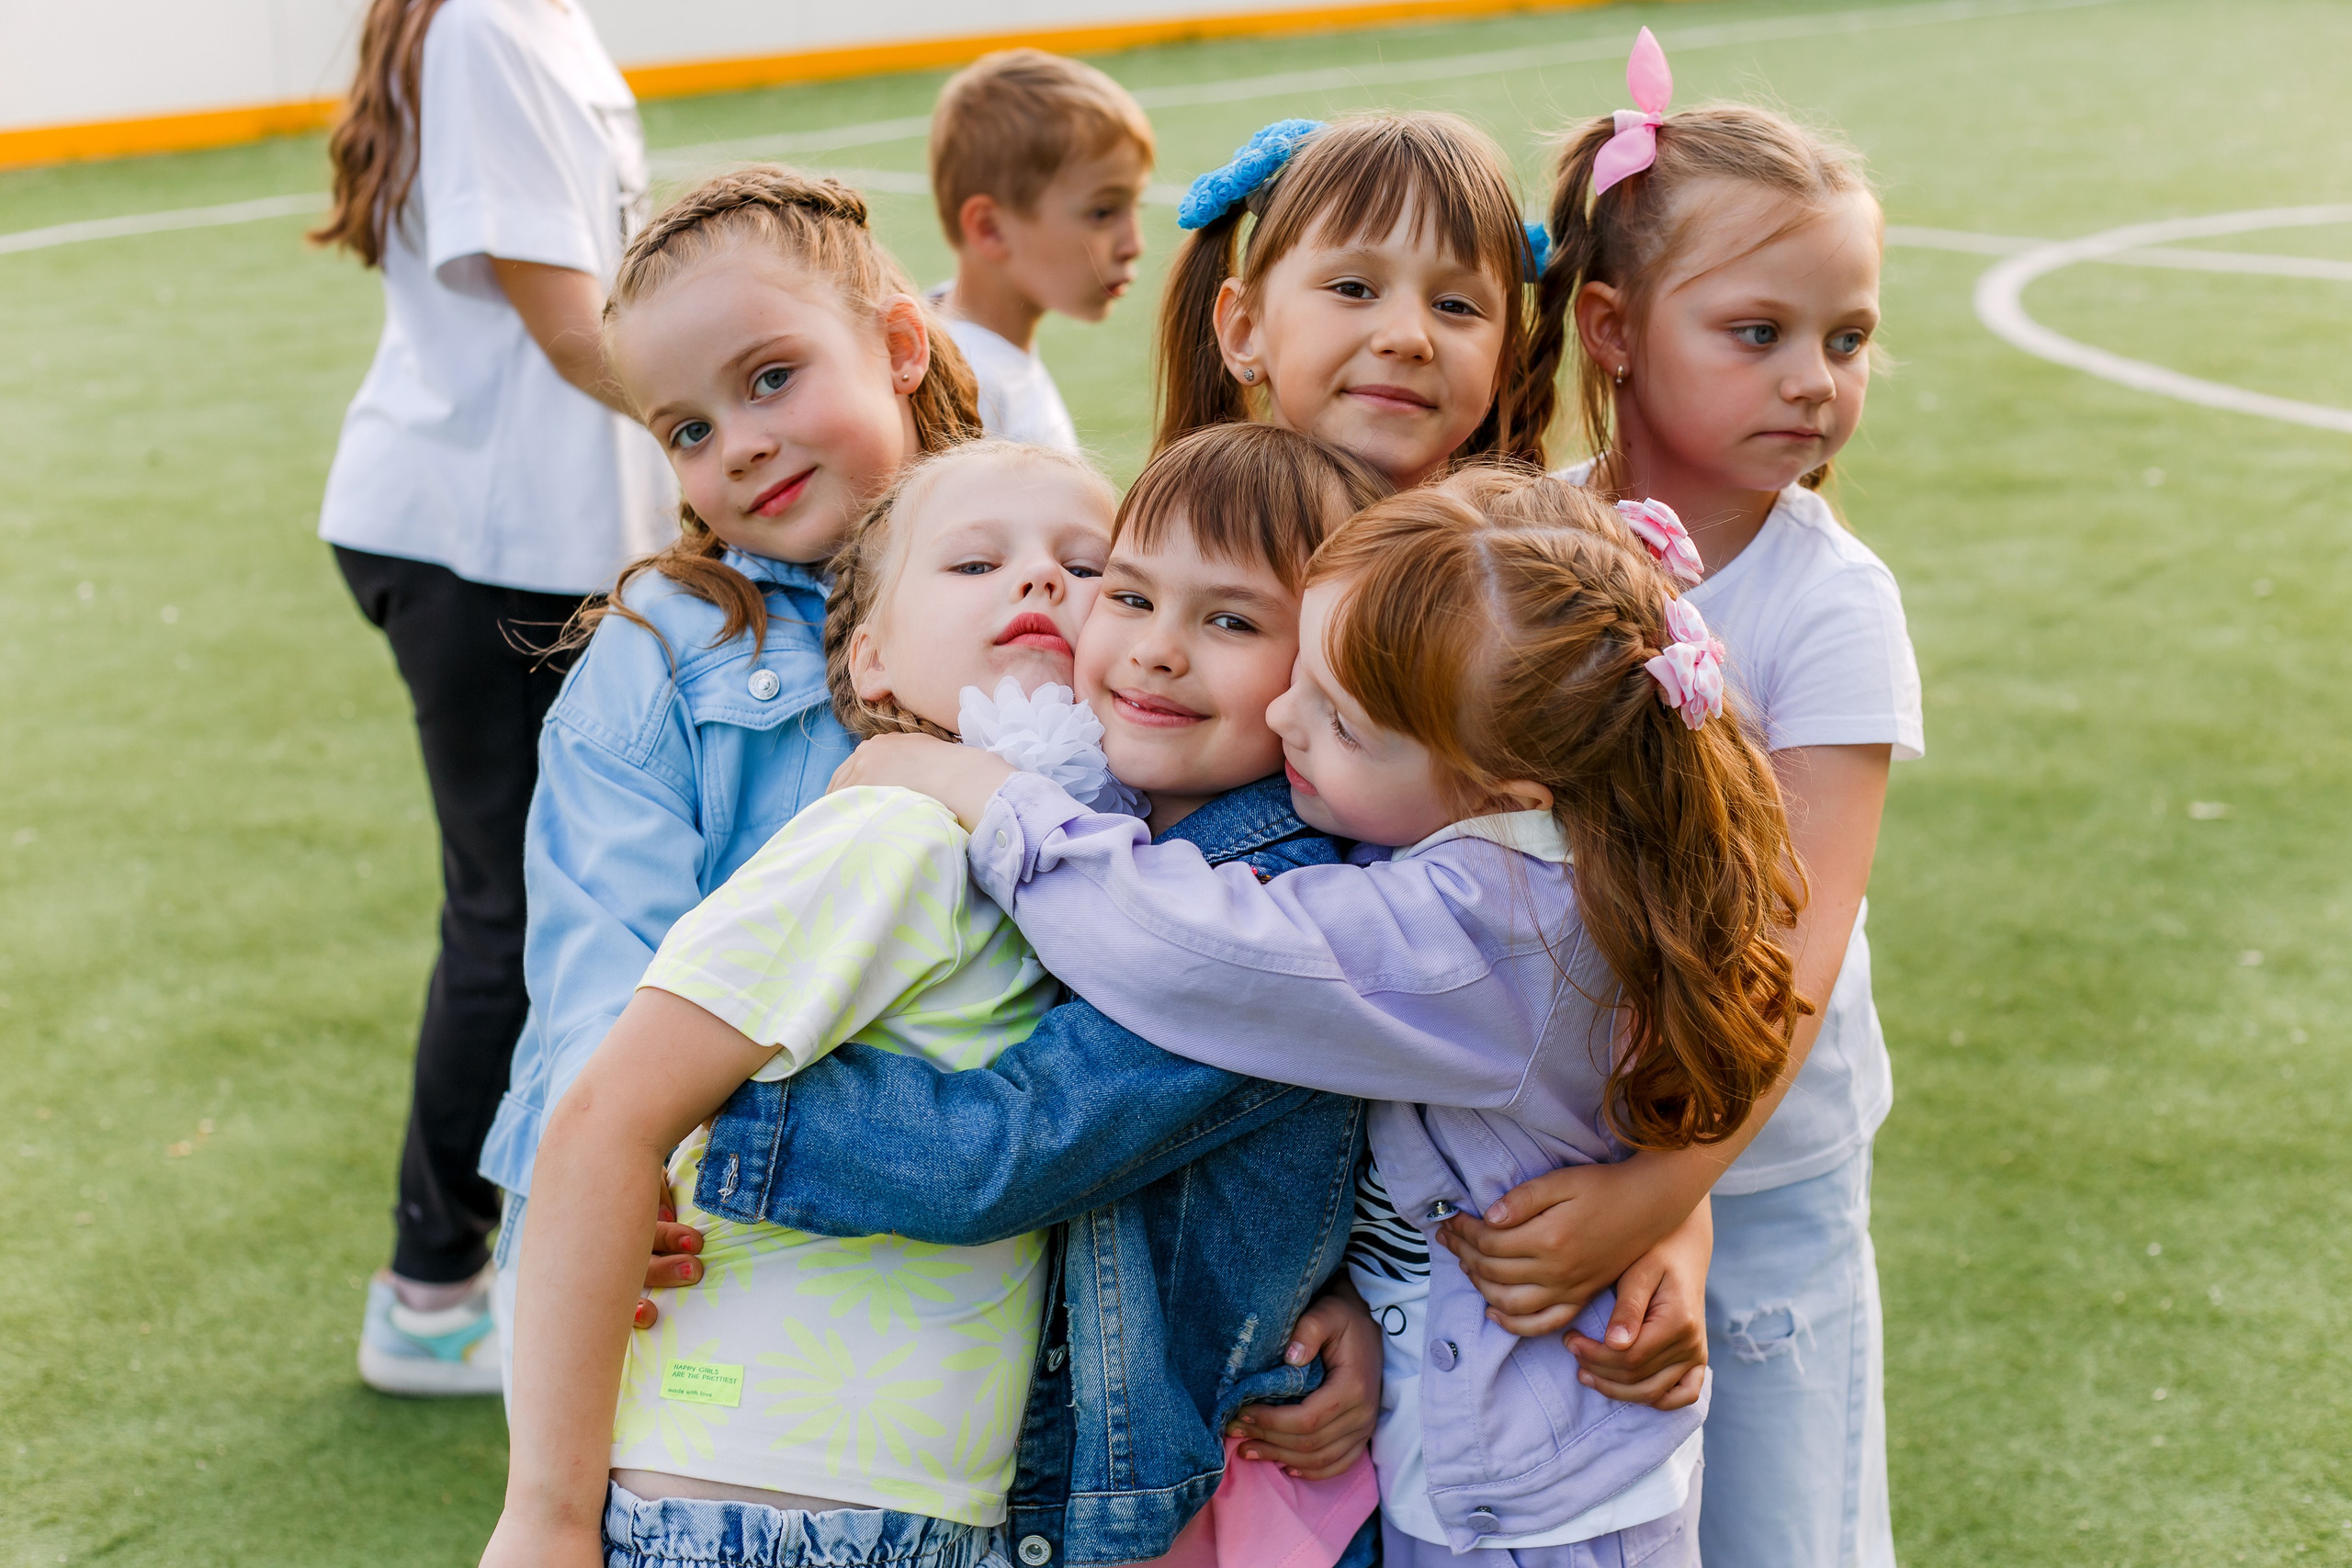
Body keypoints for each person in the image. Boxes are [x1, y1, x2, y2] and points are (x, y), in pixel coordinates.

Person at [835, 467, 1807, 1564]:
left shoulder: (1484, 930)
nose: (1286, 714)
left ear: (1503, 788)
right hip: (1470, 1461)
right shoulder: (1540, 855)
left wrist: (987, 796)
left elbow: (1195, 955)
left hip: (1529, 1516)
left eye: (1338, 720)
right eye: (1301, 673)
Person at [1447, 29, 1921, 1567]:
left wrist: (1665, 1191)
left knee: (1783, 1530)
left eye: (1846, 338)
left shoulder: (1829, 605)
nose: (1815, 379)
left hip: (1753, 1170)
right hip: (1553, 1144)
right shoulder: (1526, 539)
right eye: (1760, 330)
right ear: (1614, 327)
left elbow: (1788, 952)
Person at [486, 440, 1125, 1568]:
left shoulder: (1054, 872)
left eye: (1092, 568)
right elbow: (602, 1120)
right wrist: (542, 1515)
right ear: (869, 662)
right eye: (975, 564)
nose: (1039, 581)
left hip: (902, 1508)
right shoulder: (889, 837)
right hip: (759, 1510)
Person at [472, 164, 982, 1384]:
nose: (741, 444)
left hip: (993, 1214)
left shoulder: (1031, 565)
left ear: (899, 344)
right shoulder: (662, 647)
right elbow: (598, 931)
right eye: (689, 429)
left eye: (772, 378)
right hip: (741, 1227)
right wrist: (600, 1159)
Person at [310, 0, 674, 1395]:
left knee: (561, 903)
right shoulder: (483, 32)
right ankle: (430, 1288)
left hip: (532, 541)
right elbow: (576, 330)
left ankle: (507, 1244)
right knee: (512, 911)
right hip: (479, 544)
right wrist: (763, 418)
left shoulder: (535, 21)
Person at [1155, 111, 1548, 487]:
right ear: (1245, 331)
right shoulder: (1172, 550)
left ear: (1501, 363)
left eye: (1454, 306)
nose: (1408, 338)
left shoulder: (1530, 556)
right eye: (1353, 289)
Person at [927, 49, 1154, 451]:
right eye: (1103, 212)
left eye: (1136, 206)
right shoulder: (969, 390)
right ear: (990, 229)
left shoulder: (966, 341)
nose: (1133, 244)